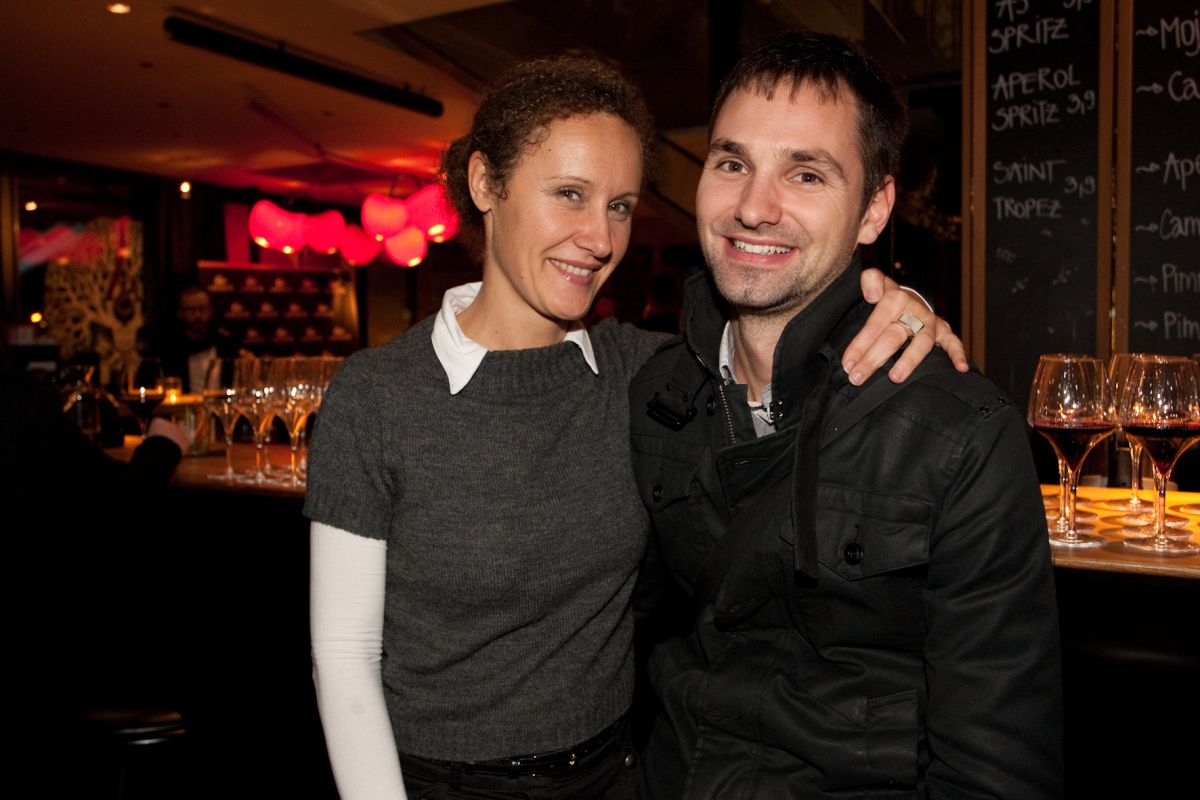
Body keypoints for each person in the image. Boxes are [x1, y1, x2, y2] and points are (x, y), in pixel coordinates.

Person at [304, 54, 965, 800]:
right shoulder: (379, 396)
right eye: (570, 194)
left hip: (618, 777)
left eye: (619, 206)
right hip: (436, 786)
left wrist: (900, 304)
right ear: (486, 183)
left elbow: (778, 339)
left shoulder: (644, 375)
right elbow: (345, 655)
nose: (599, 238)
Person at [628, 31, 1062, 798]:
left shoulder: (960, 432)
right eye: (732, 163)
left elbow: (994, 767)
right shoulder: (655, 393)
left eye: (805, 173)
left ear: (874, 209)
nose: (753, 208)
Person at [158, 285, 237, 393]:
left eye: (202, 309)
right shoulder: (170, 349)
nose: (197, 315)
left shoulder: (225, 345)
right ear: (180, 313)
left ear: (210, 310)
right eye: (191, 310)